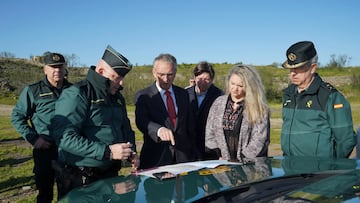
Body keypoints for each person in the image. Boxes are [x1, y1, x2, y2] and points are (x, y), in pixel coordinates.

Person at [50, 45, 139, 198]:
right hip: (80, 177)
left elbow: (125, 128)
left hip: (110, 174)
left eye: (122, 78)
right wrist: (107, 152)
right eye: (116, 77)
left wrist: (132, 152)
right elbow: (65, 138)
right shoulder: (78, 94)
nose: (121, 83)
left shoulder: (117, 97)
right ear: (101, 72)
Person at [11, 52, 72, 203]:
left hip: (69, 151)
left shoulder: (73, 90)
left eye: (60, 67)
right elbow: (17, 117)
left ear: (65, 69)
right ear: (45, 69)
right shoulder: (33, 91)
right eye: (52, 67)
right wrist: (34, 138)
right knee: (45, 194)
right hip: (45, 150)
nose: (56, 70)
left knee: (68, 195)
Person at [281, 41, 356, 158]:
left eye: (299, 68)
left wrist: (330, 165)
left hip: (318, 172)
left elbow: (346, 139)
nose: (293, 73)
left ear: (313, 68)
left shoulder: (330, 97)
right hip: (290, 166)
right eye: (291, 69)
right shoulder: (288, 95)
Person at [135, 53, 196, 169]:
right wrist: (158, 130)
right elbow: (141, 121)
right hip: (156, 159)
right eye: (161, 74)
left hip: (183, 159)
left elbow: (190, 127)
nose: (166, 79)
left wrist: (194, 154)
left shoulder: (183, 94)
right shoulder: (144, 96)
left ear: (175, 73)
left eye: (170, 75)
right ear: (154, 72)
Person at [205, 64, 270, 161]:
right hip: (221, 164)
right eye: (232, 83)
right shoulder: (218, 102)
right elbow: (210, 131)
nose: (235, 88)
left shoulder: (259, 107)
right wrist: (216, 153)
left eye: (240, 86)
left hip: (249, 166)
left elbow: (260, 139)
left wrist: (243, 159)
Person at [186, 61, 223, 160]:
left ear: (212, 80)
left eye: (206, 79)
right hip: (189, 146)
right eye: (200, 78)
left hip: (210, 147)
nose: (203, 82)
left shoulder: (219, 96)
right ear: (194, 78)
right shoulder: (184, 94)